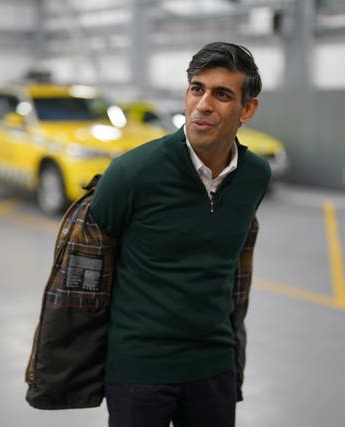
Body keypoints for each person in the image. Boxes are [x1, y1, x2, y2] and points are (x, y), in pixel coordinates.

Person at [89, 41, 271, 426]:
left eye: (222, 94)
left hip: (214, 363)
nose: (204, 104)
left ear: (247, 110)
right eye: (196, 89)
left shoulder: (255, 176)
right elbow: (92, 257)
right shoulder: (131, 174)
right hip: (140, 368)